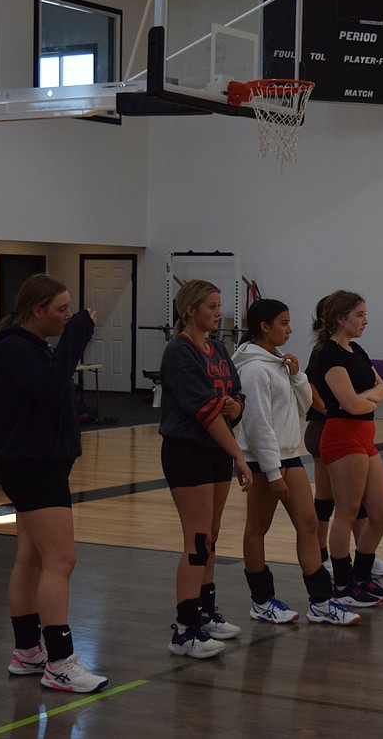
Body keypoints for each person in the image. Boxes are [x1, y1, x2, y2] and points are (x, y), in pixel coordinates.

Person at [0, 273, 108, 693]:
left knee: (30, 557)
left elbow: (52, 380)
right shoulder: (14, 349)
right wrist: (77, 333)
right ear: (36, 310)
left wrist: (70, 334)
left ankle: (27, 652)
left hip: (39, 464)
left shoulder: (30, 348)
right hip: (32, 467)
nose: (67, 316)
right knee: (61, 560)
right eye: (60, 309)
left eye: (69, 309)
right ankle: (59, 661)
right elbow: (55, 384)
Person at [233, 299, 359, 626]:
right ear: (264, 327)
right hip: (264, 462)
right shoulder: (254, 368)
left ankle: (319, 602)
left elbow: (306, 407)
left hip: (290, 455)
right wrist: (273, 473)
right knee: (257, 528)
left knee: (307, 524)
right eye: (284, 323)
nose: (290, 330)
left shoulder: (277, 362)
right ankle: (261, 600)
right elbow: (257, 424)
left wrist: (298, 375)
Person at [159, 280, 253, 659]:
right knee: (197, 540)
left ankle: (204, 611)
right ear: (191, 309)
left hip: (215, 450)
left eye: (219, 306)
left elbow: (234, 392)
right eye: (212, 306)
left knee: (211, 537)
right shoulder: (179, 351)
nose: (218, 312)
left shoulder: (216, 347)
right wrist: (239, 455)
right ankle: (184, 630)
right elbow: (207, 411)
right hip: (189, 451)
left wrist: (237, 407)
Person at [312, 291, 383, 607]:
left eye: (364, 313)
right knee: (346, 511)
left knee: (382, 513)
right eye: (359, 314)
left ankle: (362, 576)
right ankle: (344, 584)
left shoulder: (356, 349)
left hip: (364, 435)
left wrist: (368, 398)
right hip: (342, 436)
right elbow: (350, 404)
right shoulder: (329, 354)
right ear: (340, 318)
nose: (365, 320)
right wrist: (369, 398)